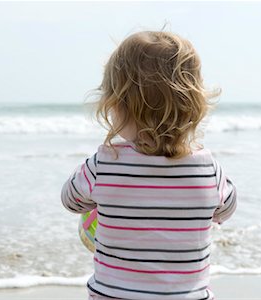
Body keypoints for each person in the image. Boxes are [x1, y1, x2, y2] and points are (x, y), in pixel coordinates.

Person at [61, 29, 237, 300]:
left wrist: (100, 202)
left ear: (115, 104)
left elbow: (71, 201)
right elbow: (226, 209)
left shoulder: (104, 163)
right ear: (193, 104)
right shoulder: (208, 168)